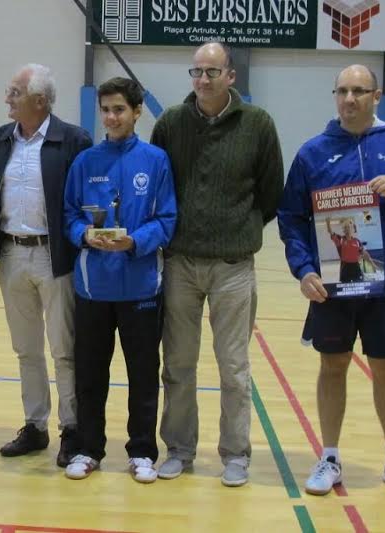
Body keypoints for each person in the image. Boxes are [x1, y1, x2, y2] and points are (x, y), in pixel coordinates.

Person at [278, 64, 385, 499]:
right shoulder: (313, 152)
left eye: (359, 91)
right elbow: (291, 217)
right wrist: (304, 268)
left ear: (376, 95)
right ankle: (329, 456)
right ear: (335, 95)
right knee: (333, 365)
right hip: (332, 285)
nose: (350, 99)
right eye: (343, 91)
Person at [150, 41, 284, 487]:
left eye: (212, 72)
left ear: (231, 76)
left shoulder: (258, 124)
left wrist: (236, 229)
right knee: (179, 364)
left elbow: (270, 194)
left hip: (233, 266)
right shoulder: (171, 122)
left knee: (233, 366)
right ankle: (180, 450)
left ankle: (235, 454)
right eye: (196, 72)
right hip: (180, 264)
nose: (203, 80)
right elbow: (157, 185)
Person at [62, 77, 176, 482]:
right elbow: (70, 217)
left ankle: (142, 451)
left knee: (143, 374)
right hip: (94, 288)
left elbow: (166, 220)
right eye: (106, 110)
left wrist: (134, 241)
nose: (111, 117)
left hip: (142, 286)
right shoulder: (85, 162)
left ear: (136, 111)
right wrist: (84, 235)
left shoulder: (156, 161)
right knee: (90, 373)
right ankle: (88, 449)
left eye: (119, 110)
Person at [0, 64, 92, 466]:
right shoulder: (0, 140)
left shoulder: (74, 140)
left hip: (55, 257)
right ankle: (35, 425)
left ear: (40, 101)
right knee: (25, 349)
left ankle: (72, 428)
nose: (7, 99)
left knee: (64, 349)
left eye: (15, 92)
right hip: (13, 254)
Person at [325, 217, 375, 282]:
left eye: (349, 227)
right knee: (345, 287)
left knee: (359, 285)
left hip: (356, 267)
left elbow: (365, 254)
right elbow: (330, 232)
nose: (347, 229)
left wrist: (372, 264)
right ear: (343, 230)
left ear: (352, 229)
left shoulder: (357, 241)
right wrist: (328, 222)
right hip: (345, 268)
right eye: (345, 227)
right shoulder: (340, 239)